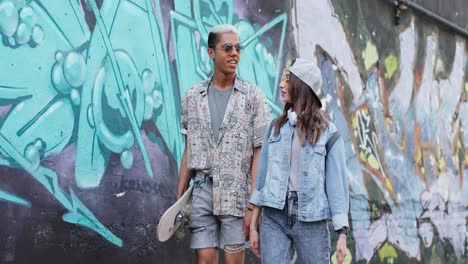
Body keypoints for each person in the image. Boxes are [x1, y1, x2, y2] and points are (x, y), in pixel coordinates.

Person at [177, 24, 270, 264]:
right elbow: (189, 151)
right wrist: (178, 202)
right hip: (202, 192)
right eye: (227, 48)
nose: (234, 53)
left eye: (238, 48)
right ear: (211, 52)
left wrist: (253, 204)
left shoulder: (253, 96)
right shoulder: (192, 97)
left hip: (237, 194)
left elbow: (260, 153)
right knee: (205, 260)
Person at [249, 58, 349, 264]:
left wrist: (342, 233)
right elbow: (262, 177)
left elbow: (337, 185)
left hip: (311, 218)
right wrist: (253, 223)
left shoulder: (328, 134)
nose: (281, 85)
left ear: (302, 86)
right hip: (274, 216)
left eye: (288, 80)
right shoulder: (275, 128)